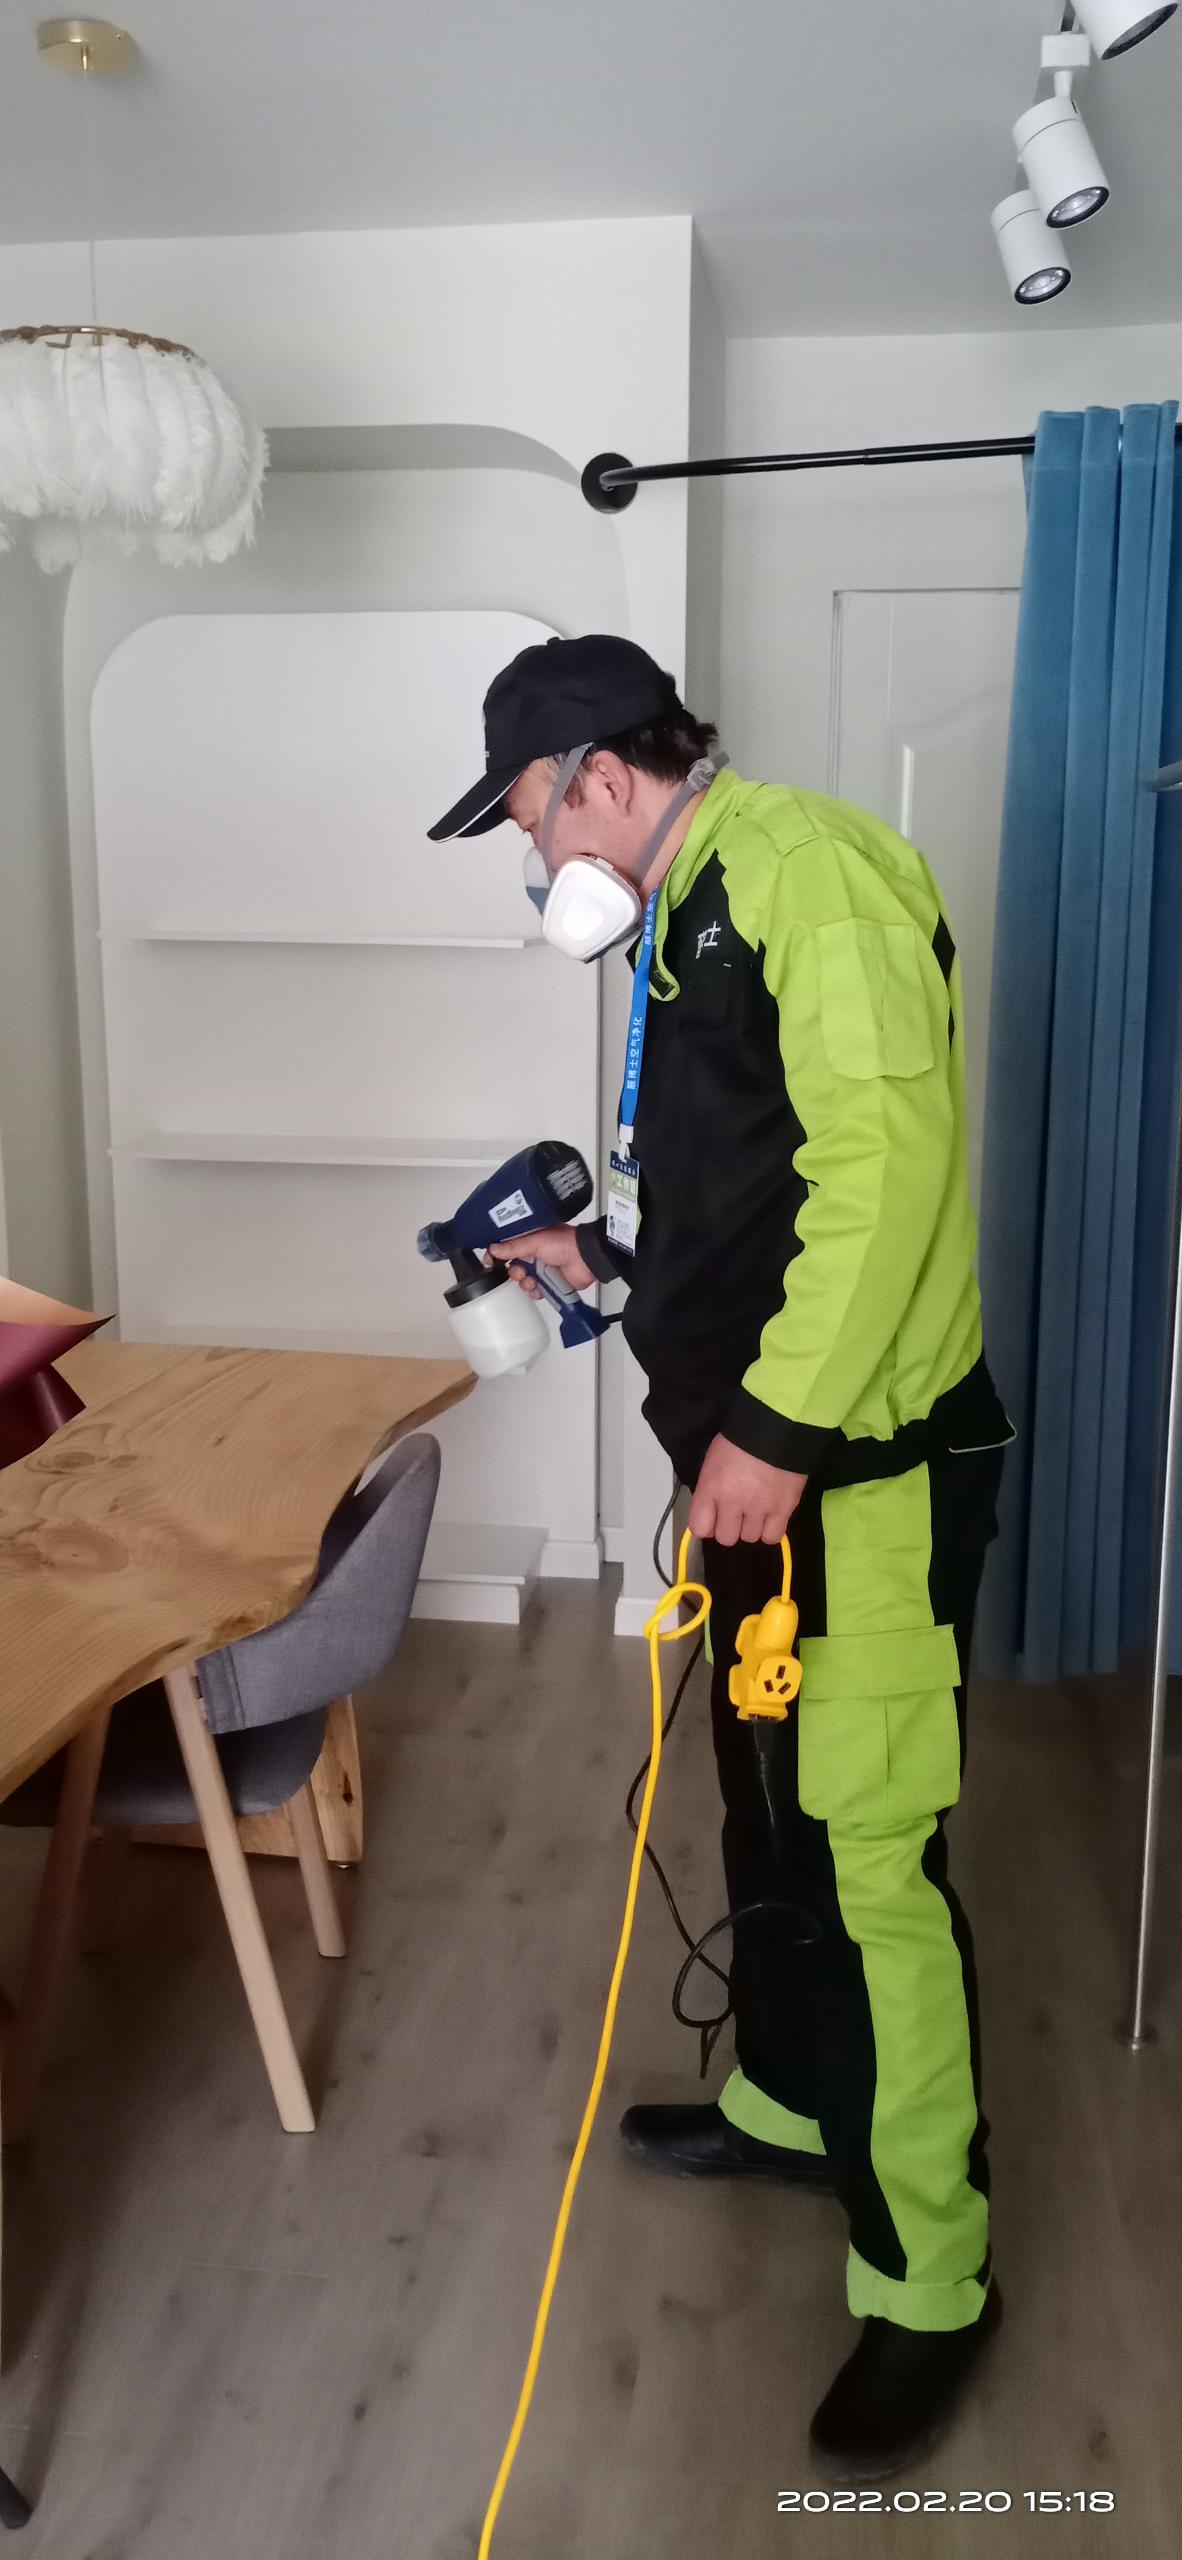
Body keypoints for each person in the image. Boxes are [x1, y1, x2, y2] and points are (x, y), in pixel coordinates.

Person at [429, 632, 1012, 2483]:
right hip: (759, 1476)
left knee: (867, 1855)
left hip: (862, 1480)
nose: (537, 862)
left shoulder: (806, 876)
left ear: (602, 776)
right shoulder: (687, 919)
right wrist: (597, 1268)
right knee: (762, 1811)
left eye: (531, 821)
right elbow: (736, 1200)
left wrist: (770, 1430)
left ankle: (931, 2281)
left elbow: (881, 1178)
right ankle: (788, 2097)